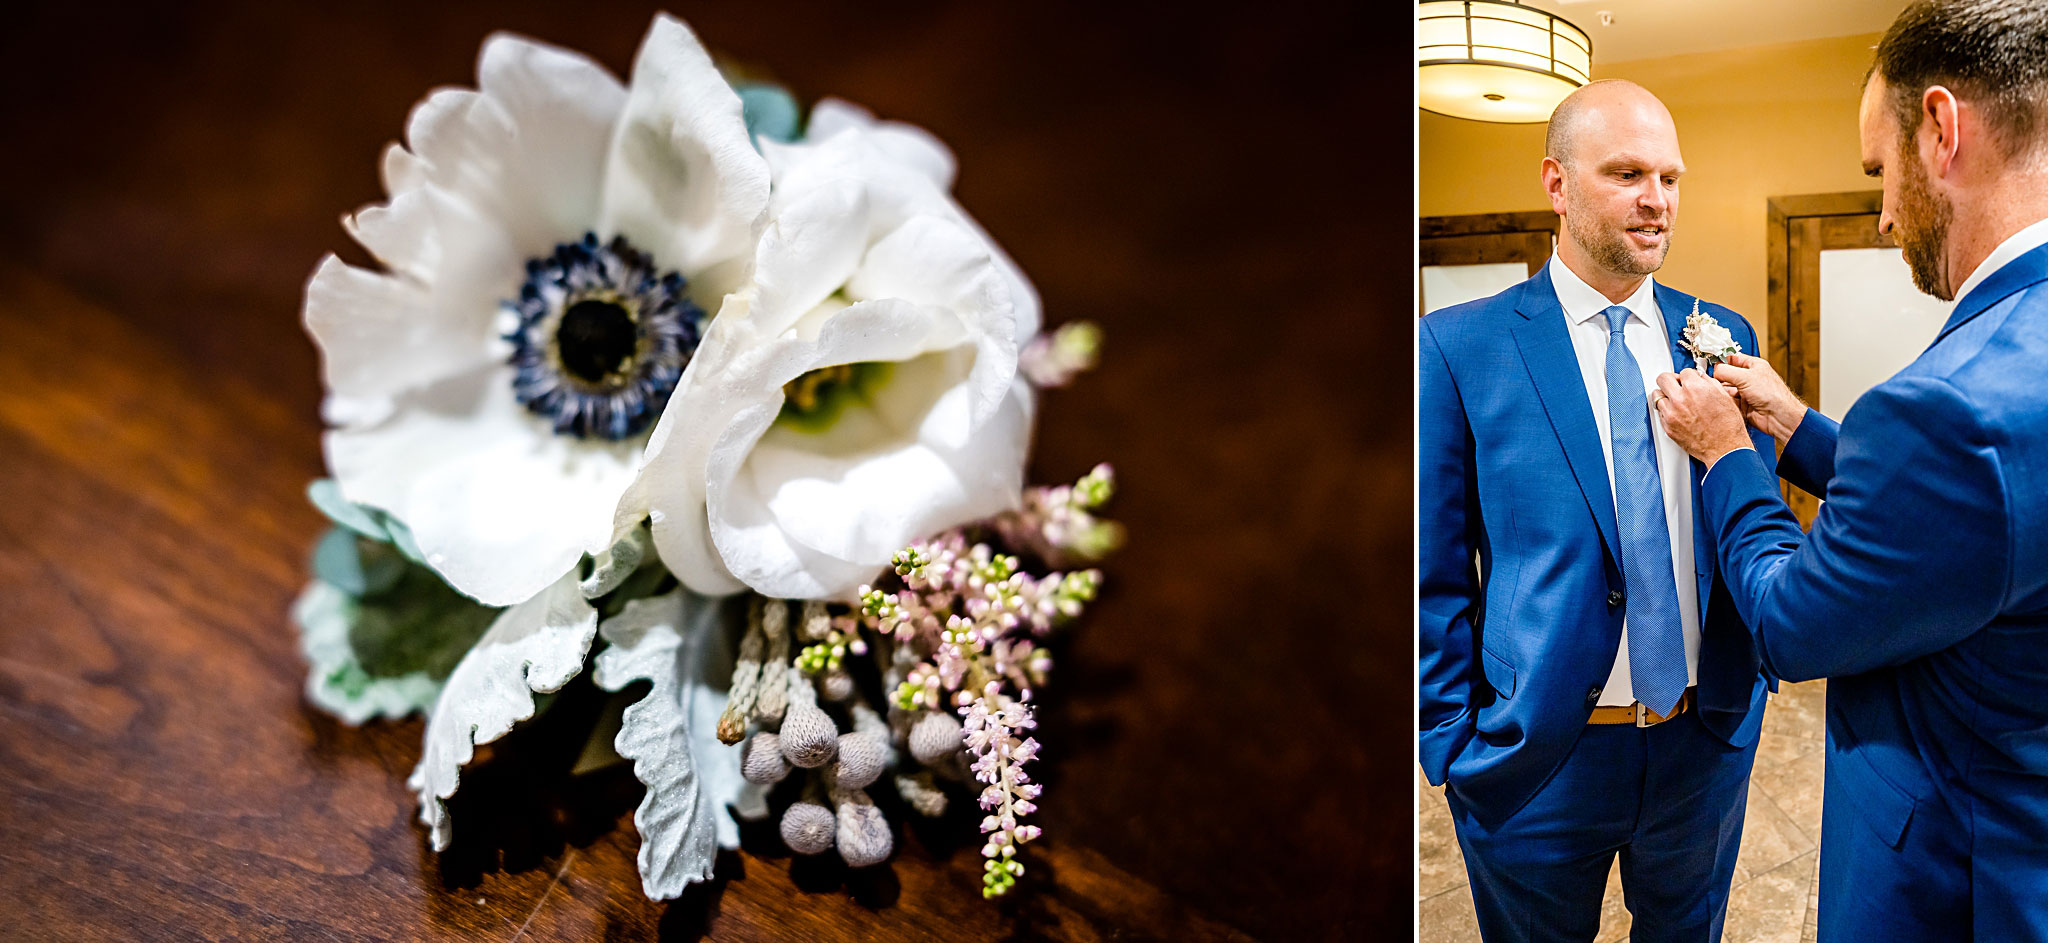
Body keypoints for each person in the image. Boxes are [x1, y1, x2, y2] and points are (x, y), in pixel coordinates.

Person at [1650, 3, 2048, 939]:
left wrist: (1727, 452)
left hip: (1954, 871)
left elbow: (1792, 624)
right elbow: (1968, 521)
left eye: (1880, 172)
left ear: (1941, 131)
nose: (1882, 214)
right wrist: (1793, 425)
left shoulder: (1948, 407)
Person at [1418, 79, 1775, 943]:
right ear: (1557, 183)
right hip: (1539, 755)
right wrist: (1451, 742)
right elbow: (1431, 568)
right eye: (1626, 174)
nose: (1658, 201)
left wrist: (1742, 703)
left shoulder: (1722, 334)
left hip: (1702, 742)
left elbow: (1745, 519)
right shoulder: (1457, 345)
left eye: (1671, 176)